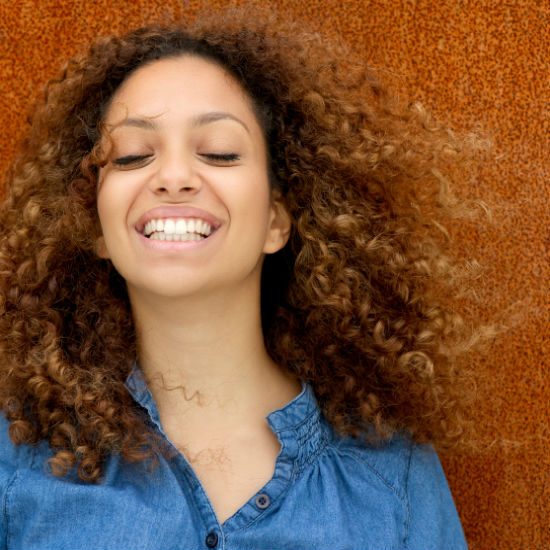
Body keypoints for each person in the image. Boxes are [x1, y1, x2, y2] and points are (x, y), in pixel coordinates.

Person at [0, 8, 484, 550]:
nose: (175, 177)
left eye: (219, 153)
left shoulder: (394, 477)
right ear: (93, 226)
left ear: (277, 219)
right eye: (134, 156)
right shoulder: (15, 456)